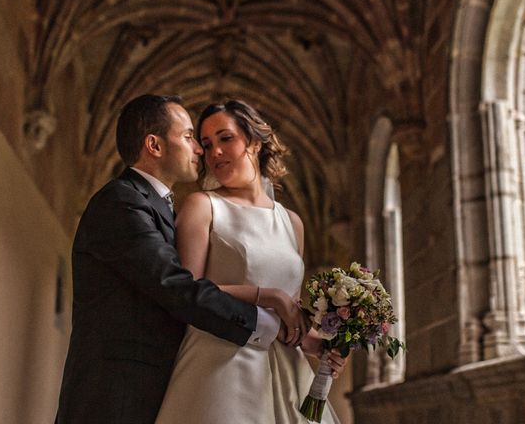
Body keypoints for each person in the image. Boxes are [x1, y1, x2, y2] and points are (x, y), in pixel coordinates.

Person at [55, 94, 311, 423]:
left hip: (154, 386)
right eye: (191, 137)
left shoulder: (157, 205)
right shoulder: (122, 202)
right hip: (116, 393)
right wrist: (270, 308)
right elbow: (177, 287)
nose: (202, 151)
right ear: (154, 145)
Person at [156, 99, 343, 423]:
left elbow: (291, 313)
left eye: (225, 138)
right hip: (219, 368)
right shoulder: (202, 206)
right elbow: (187, 294)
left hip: (286, 373)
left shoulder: (291, 222)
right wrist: (268, 296)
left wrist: (318, 344)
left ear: (254, 142)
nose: (214, 152)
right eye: (206, 144)